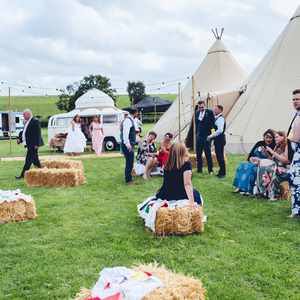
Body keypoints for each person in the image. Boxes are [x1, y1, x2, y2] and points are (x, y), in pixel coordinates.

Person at [233, 129, 275, 195]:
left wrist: (265, 154)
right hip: (254, 161)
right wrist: (252, 159)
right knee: (242, 166)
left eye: (270, 137)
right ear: (264, 137)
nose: (268, 139)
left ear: (273, 139)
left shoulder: (273, 146)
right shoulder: (259, 143)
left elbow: (272, 160)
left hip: (263, 164)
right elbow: (250, 156)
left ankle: (248, 189)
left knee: (251, 168)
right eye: (267, 137)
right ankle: (239, 186)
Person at [257, 131, 290, 200]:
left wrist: (272, 151)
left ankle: (272, 194)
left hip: (285, 167)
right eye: (275, 137)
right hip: (276, 165)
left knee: (270, 170)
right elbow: (272, 159)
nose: (275, 139)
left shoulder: (287, 145)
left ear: (283, 137)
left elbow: (285, 160)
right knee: (262, 168)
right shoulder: (277, 146)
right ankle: (263, 191)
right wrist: (266, 153)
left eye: (277, 137)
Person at [16, 109, 44, 179]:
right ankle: (43, 172)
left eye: (24, 115)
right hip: (30, 144)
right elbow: (25, 133)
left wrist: (37, 144)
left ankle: (23, 175)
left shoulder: (35, 121)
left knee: (28, 161)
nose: (23, 116)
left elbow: (38, 133)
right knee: (35, 161)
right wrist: (20, 139)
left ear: (28, 114)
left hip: (33, 145)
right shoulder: (27, 122)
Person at [288, 89, 300, 217]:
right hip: (296, 153)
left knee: (296, 181)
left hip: (298, 152)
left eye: (298, 99)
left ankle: (296, 211)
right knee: (295, 180)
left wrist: (291, 139)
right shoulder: (297, 114)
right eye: (294, 99)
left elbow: (295, 138)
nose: (295, 102)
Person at [195, 100, 215, 174]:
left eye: (202, 107)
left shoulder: (209, 112)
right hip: (199, 136)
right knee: (198, 153)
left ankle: (210, 170)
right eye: (199, 107)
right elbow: (196, 124)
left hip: (207, 136)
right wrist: (197, 134)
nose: (201, 108)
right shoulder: (197, 113)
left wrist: (212, 135)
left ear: (205, 106)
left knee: (208, 153)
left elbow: (213, 124)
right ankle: (199, 169)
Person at [120, 108, 139, 184]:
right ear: (135, 113)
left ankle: (129, 178)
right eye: (137, 112)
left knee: (130, 161)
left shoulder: (131, 120)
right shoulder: (128, 121)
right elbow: (125, 134)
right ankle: (128, 180)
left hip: (130, 143)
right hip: (128, 144)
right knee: (129, 162)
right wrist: (128, 144)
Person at [207, 105, 226, 178]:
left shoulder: (220, 119)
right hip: (217, 139)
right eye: (214, 109)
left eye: (216, 109)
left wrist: (211, 136)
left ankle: (222, 173)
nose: (214, 110)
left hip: (220, 139)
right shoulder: (216, 118)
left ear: (220, 110)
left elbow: (220, 130)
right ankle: (221, 171)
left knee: (220, 156)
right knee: (218, 156)